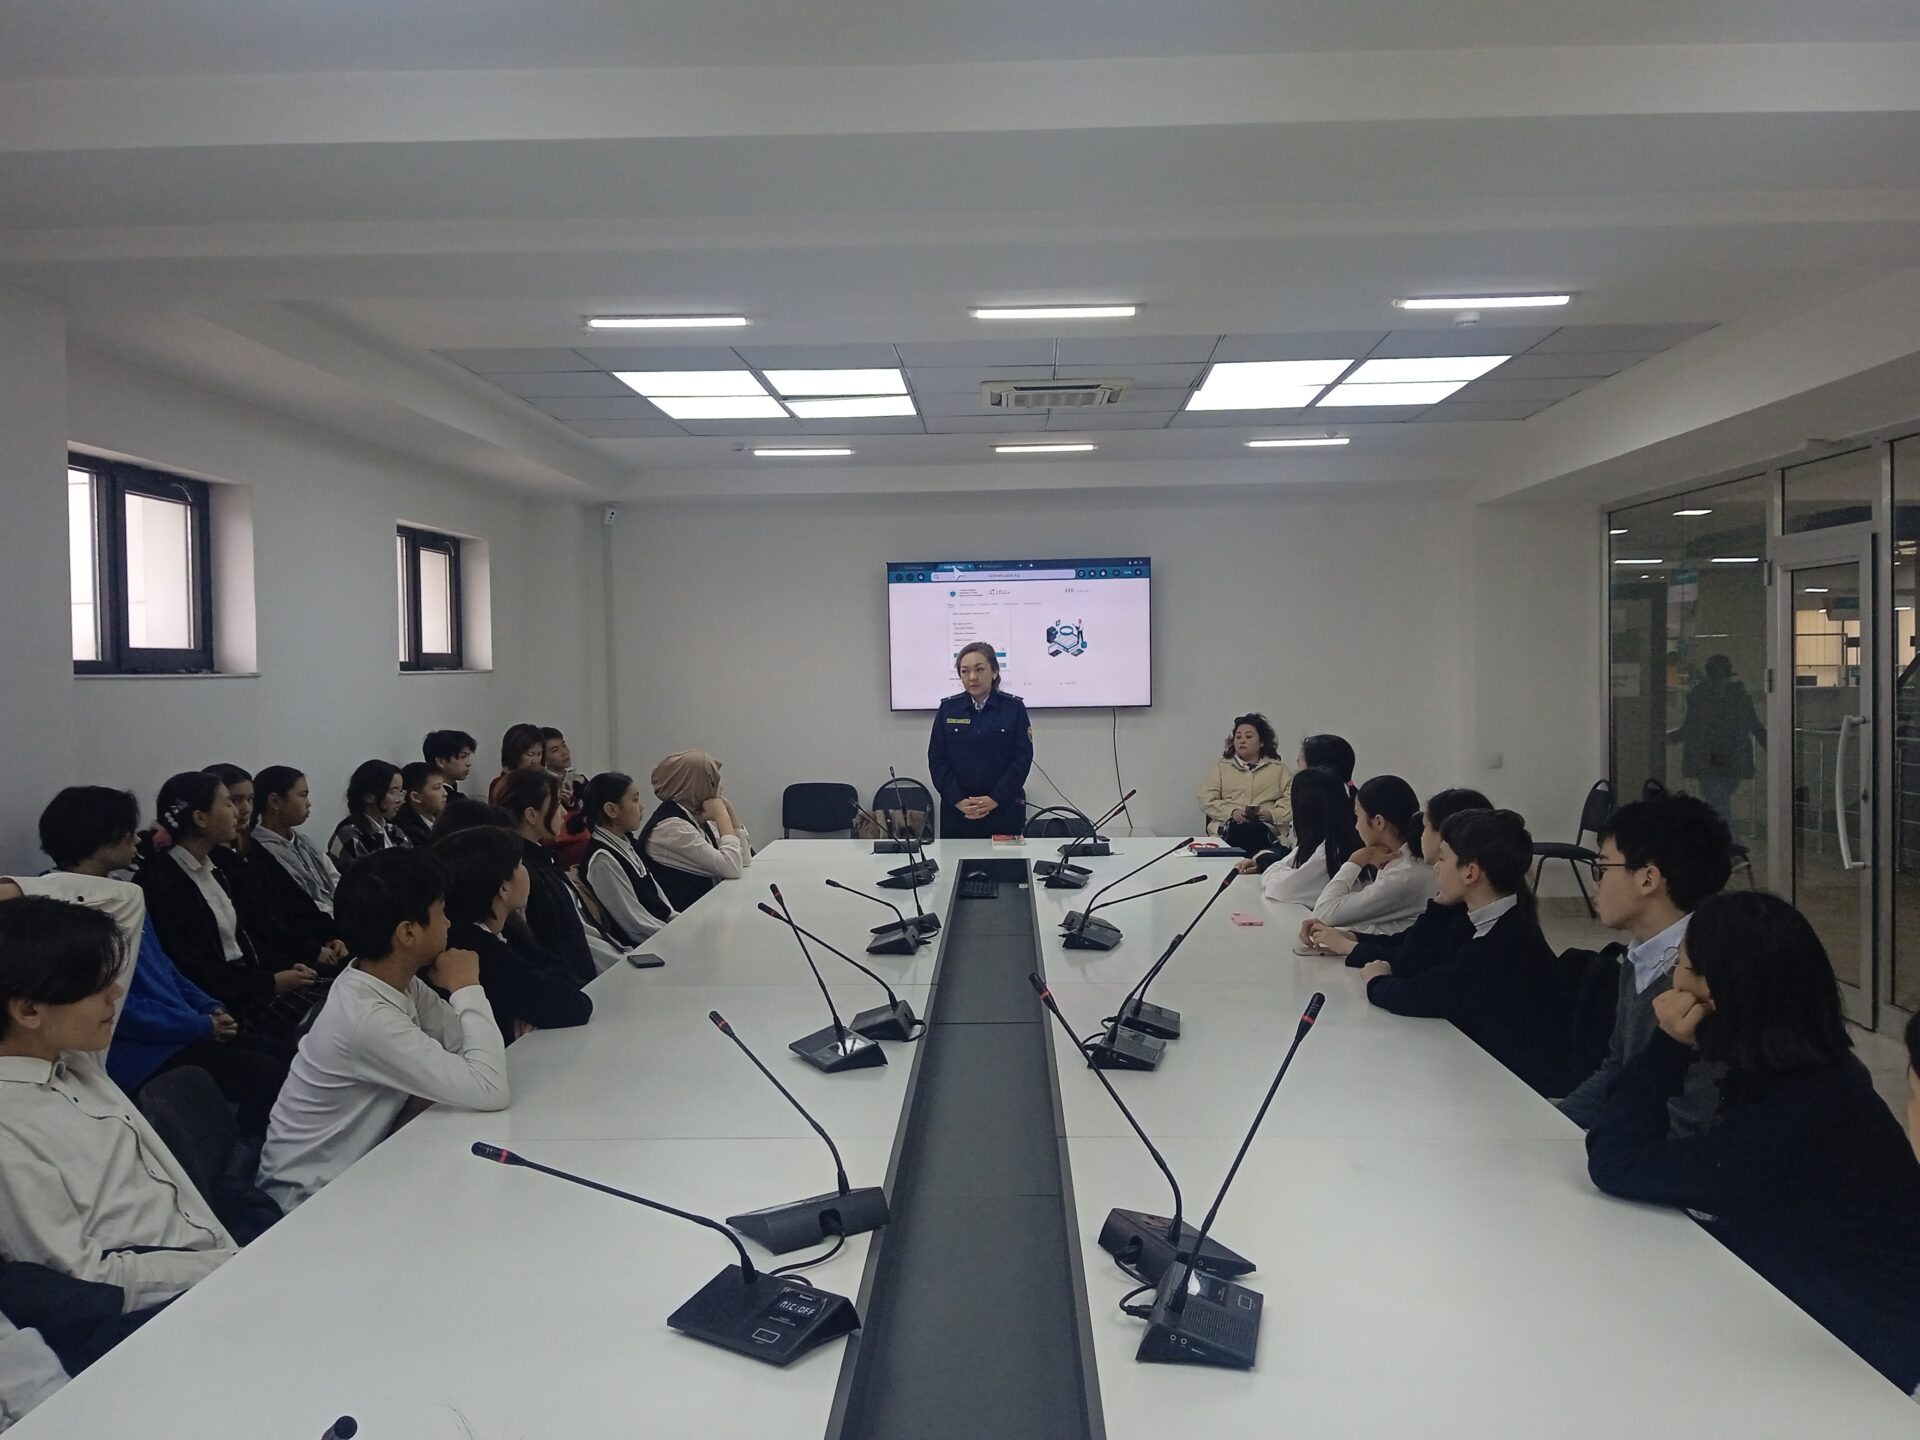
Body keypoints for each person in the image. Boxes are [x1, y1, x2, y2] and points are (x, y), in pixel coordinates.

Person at [1586, 892, 1920, 1393]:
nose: (1675, 983)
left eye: (1686, 969)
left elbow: (1617, 1162)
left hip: (1857, 1357)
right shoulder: (1808, 1068)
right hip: (1813, 1304)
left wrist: (1668, 1046)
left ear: (1726, 992)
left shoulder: (1801, 1108)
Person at [0, 885, 237, 1312]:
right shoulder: (9, 1130)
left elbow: (124, 898)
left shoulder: (76, 1059)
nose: (116, 994)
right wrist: (228, 1267)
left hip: (221, 1255)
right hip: (170, 1308)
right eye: (98, 987)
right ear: (30, 1011)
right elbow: (83, 1280)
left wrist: (16, 890)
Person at [256, 849, 509, 1214]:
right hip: (311, 1203)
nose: (449, 923)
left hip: (368, 1163)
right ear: (408, 933)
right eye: (441, 912)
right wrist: (466, 985)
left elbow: (464, 1049)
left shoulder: (393, 981)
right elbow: (489, 1088)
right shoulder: (365, 1018)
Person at [38, 786, 288, 1135]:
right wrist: (198, 1025)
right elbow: (118, 1008)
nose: (137, 839)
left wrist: (208, 1007)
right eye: (128, 831)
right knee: (267, 1073)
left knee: (287, 1056)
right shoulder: (60, 912)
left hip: (178, 1029)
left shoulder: (123, 895)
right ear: (103, 840)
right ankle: (247, 1157)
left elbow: (166, 968)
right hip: (134, 1051)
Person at [1360, 809, 1580, 1096]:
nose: (1436, 868)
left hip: (1515, 1088)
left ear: (1470, 872)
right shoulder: (1488, 921)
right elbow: (1416, 967)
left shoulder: (1503, 943)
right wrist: (1440, 906)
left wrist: (1376, 981)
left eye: (1443, 859)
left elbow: (1418, 994)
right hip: (1491, 1067)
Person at [1555, 793, 1733, 1135]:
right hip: (1633, 1136)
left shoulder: (1704, 973)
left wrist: (1602, 1142)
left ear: (1648, 879)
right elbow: (1618, 1069)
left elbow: (1690, 1117)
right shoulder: (1641, 955)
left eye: (1603, 868)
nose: (1596, 883)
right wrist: (1554, 1125)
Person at [135, 772, 324, 1044]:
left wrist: (284, 969)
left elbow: (251, 935)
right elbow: (195, 968)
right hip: (227, 1006)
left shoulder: (218, 866)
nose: (239, 811)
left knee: (346, 996)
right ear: (200, 818)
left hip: (252, 985)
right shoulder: (162, 882)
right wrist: (272, 982)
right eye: (229, 803)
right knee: (333, 1015)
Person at [1300, 786, 1493, 968]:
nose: (1356, 826)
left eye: (1425, 827)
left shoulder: (1411, 874)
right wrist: (1349, 938)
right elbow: (1406, 941)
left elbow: (1415, 960)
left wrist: (1356, 861)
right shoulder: (1405, 864)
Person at [435, 826, 593, 1043]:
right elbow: (574, 1006)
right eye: (519, 864)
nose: (526, 870)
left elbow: (561, 968)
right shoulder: (475, 948)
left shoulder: (504, 927)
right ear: (503, 888)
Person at [205, 763, 345, 986]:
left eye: (250, 799)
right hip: (270, 969)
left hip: (302, 949)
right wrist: (311, 951)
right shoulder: (219, 862)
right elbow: (261, 924)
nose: (245, 809)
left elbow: (296, 899)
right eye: (234, 801)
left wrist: (332, 936)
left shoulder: (253, 849)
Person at [1298, 775, 1435, 943]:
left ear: (1379, 822)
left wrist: (1356, 860)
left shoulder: (1406, 874)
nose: (1356, 826)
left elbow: (1324, 913)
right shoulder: (1401, 860)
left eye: (1357, 816)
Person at [499, 768, 599, 985]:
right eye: (556, 805)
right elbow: (545, 939)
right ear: (531, 815)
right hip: (566, 983)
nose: (563, 813)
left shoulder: (542, 858)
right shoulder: (522, 869)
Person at [927, 641, 1034, 839]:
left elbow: (1022, 760)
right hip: (958, 813)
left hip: (1003, 810)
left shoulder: (1014, 709)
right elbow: (937, 760)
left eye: (979, 669)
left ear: (994, 672)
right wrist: (958, 800)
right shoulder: (948, 709)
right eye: (965, 671)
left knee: (1006, 861)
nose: (972, 677)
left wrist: (994, 799)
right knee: (957, 860)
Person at [640, 751, 754, 914]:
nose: (719, 789)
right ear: (695, 785)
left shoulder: (693, 815)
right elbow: (732, 868)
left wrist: (729, 810)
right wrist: (722, 816)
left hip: (706, 908)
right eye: (712, 782)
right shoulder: (671, 828)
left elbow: (744, 859)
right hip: (683, 919)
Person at [576, 772, 676, 946]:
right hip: (644, 947)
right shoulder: (602, 860)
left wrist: (679, 921)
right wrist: (677, 935)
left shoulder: (626, 842)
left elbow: (660, 902)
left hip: (662, 933)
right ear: (611, 810)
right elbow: (635, 924)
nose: (642, 807)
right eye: (635, 800)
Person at [1667, 653, 1766, 824]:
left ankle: (1726, 838)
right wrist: (1771, 746)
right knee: (1719, 806)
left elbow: (1690, 727)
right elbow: (1754, 725)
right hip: (1733, 759)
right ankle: (1725, 838)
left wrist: (1669, 738)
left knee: (1718, 806)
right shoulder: (1738, 697)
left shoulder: (1699, 696)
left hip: (1708, 760)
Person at [1255, 767, 1361, 905]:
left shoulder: (1331, 852)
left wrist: (1278, 871)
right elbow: (1284, 865)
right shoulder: (1327, 840)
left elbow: (1281, 889)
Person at [250, 766, 339, 915]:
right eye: (303, 795)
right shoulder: (261, 852)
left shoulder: (304, 842)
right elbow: (295, 903)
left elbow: (335, 879)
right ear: (275, 802)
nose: (308, 803)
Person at [1198, 713, 1292, 850]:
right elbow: (1206, 799)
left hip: (1268, 835)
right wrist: (1232, 812)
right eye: (1238, 737)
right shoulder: (1222, 767)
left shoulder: (1279, 769)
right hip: (1225, 833)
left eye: (1248, 737)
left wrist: (1272, 815)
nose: (1242, 741)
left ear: (1262, 742)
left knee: (1274, 853)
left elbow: (1292, 800)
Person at [328, 760, 409, 867]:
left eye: (400, 791)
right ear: (368, 797)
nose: (400, 800)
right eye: (393, 792)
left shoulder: (393, 831)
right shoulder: (350, 834)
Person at [488, 723, 547, 807]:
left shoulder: (544, 782)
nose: (535, 761)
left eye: (539, 754)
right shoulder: (500, 785)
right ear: (514, 754)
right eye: (530, 754)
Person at [393, 761, 448, 848]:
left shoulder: (444, 819)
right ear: (415, 797)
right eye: (437, 787)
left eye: (443, 786)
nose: (445, 793)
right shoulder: (408, 830)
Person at [423, 729, 478, 799]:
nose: (469, 763)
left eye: (468, 755)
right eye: (463, 756)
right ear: (441, 761)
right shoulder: (447, 800)